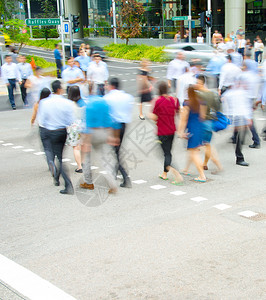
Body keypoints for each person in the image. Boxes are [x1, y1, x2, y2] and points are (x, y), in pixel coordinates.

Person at [80, 85, 118, 194]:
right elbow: (109, 120)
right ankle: (112, 183)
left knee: (87, 159)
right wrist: (111, 135)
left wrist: (86, 141)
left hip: (92, 133)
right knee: (105, 160)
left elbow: (87, 124)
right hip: (104, 132)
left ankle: (88, 182)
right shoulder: (104, 102)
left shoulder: (88, 105)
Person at [38, 80, 74, 195]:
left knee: (55, 155)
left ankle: (65, 182)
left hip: (50, 131)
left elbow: (42, 120)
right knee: (60, 156)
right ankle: (59, 179)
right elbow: (70, 120)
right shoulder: (66, 102)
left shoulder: (44, 102)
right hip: (61, 131)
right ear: (60, 89)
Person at [149, 81, 183, 185]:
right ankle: (164, 173)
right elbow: (179, 113)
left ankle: (177, 175)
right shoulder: (174, 100)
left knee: (164, 153)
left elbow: (154, 116)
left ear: (159, 90)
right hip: (172, 130)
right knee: (168, 152)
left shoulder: (158, 101)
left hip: (162, 131)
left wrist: (150, 115)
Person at [104, 77, 134, 188]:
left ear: (111, 86)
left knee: (115, 152)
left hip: (113, 127)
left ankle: (125, 177)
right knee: (117, 149)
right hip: (123, 125)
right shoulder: (127, 97)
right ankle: (115, 172)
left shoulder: (107, 98)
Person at [178, 85, 206, 182]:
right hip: (200, 128)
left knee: (194, 152)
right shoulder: (201, 102)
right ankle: (186, 169)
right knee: (192, 150)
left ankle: (202, 176)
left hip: (192, 129)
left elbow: (183, 119)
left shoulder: (187, 103)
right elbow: (203, 116)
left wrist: (180, 132)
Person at [196, 74, 223, 173]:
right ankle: (205, 164)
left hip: (202, 122)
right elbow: (217, 107)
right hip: (210, 122)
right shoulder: (212, 93)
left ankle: (217, 164)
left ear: (201, 83)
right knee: (207, 145)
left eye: (197, 83)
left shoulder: (199, 95)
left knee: (201, 146)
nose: (196, 85)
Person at [222, 77, 250, 166]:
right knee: (240, 137)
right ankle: (239, 158)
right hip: (238, 117)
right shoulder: (232, 94)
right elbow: (226, 106)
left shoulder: (240, 93)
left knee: (239, 137)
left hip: (240, 117)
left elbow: (245, 105)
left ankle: (239, 156)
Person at [31, 88, 54, 169]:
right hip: (53, 126)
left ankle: (50, 162)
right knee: (53, 145)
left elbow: (34, 116)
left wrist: (32, 122)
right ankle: (54, 159)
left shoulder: (37, 104)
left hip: (43, 127)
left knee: (46, 147)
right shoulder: (52, 103)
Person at [66, 86, 86, 173]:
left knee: (76, 147)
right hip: (84, 125)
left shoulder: (69, 104)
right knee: (83, 146)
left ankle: (79, 167)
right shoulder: (83, 102)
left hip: (74, 126)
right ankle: (84, 162)